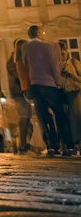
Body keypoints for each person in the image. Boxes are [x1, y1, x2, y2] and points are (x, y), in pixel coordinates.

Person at [24, 24, 76, 157]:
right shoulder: (48, 46)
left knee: (45, 117)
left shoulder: (26, 47)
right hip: (49, 85)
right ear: (39, 33)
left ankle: (52, 147)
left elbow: (25, 64)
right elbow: (54, 66)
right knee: (60, 116)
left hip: (35, 85)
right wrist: (58, 82)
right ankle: (69, 146)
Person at [6, 38, 32, 153]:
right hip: (19, 92)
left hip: (21, 91)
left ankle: (25, 142)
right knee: (24, 116)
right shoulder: (13, 60)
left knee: (27, 117)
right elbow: (19, 76)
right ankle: (22, 143)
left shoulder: (18, 59)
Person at [59, 41, 81, 146]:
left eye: (63, 53)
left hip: (75, 92)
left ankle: (78, 141)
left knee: (76, 117)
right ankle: (70, 143)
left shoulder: (73, 62)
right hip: (62, 94)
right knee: (66, 120)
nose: (61, 56)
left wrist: (71, 75)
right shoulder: (56, 66)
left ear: (66, 52)